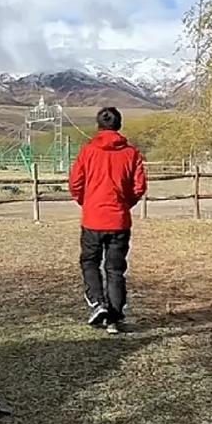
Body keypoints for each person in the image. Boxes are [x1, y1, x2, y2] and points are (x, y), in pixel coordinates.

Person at [69, 107, 147, 334]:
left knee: (90, 262)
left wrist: (87, 202)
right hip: (119, 221)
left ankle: (97, 303)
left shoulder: (88, 151)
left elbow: (75, 183)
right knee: (115, 269)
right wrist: (124, 204)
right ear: (119, 125)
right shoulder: (131, 154)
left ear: (99, 126)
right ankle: (114, 317)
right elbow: (139, 186)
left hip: (93, 219)